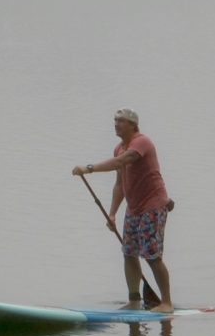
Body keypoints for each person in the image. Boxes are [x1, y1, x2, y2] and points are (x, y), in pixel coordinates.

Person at [73, 107, 172, 311]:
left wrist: (89, 169)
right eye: (115, 120)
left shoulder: (142, 142)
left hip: (153, 206)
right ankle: (134, 301)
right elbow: (120, 184)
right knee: (129, 252)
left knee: (152, 256)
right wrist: (112, 213)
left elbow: (121, 161)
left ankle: (166, 303)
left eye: (121, 121)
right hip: (134, 208)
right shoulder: (118, 148)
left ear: (133, 125)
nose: (116, 124)